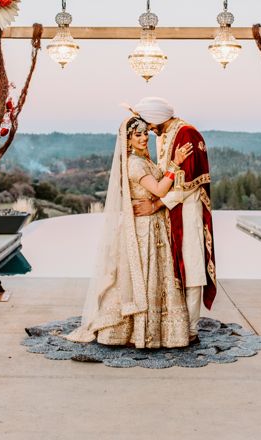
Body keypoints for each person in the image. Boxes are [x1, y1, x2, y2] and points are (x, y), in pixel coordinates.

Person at [66, 116, 193, 348]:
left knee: (153, 276)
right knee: (143, 276)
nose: (144, 138)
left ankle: (157, 331)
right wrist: (175, 164)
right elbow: (158, 188)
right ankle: (136, 332)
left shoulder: (144, 160)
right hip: (142, 229)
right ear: (128, 140)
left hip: (152, 223)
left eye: (145, 133)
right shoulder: (135, 163)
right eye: (138, 135)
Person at [132, 97, 216, 344]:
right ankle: (173, 326)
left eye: (148, 123)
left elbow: (190, 184)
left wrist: (156, 204)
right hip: (169, 212)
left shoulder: (187, 134)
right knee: (174, 270)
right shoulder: (166, 134)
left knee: (191, 269)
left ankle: (190, 329)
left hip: (187, 212)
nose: (147, 129)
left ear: (156, 117)